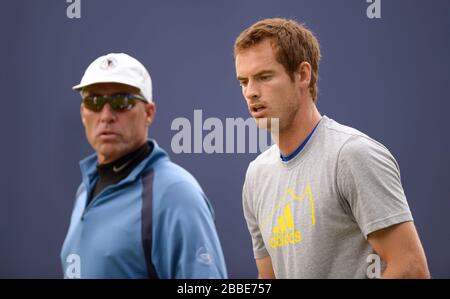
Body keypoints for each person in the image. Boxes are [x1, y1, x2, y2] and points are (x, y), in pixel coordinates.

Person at [234, 18, 430, 278]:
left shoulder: (351, 155)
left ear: (303, 75)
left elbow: (411, 269)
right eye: (243, 81)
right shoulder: (256, 176)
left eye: (264, 77)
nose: (251, 92)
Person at [60, 53, 227, 279]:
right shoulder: (85, 190)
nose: (106, 116)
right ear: (83, 113)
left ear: (149, 113)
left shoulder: (175, 193)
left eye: (122, 102)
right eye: (94, 102)